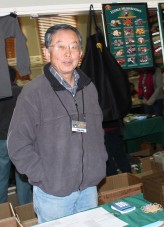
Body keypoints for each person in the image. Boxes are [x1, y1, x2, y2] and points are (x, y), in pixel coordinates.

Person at [7, 24, 108, 223]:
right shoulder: (33, 93)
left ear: (81, 53)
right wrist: (44, 177)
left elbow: (97, 133)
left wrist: (99, 162)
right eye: (60, 46)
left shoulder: (89, 88)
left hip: (89, 188)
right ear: (46, 52)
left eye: (73, 46)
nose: (68, 53)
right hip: (53, 194)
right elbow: (17, 144)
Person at [0, 66, 32, 205]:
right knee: (22, 175)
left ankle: (2, 207)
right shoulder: (22, 91)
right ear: (14, 77)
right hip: (20, 139)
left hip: (2, 140)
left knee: (1, 175)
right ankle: (25, 206)